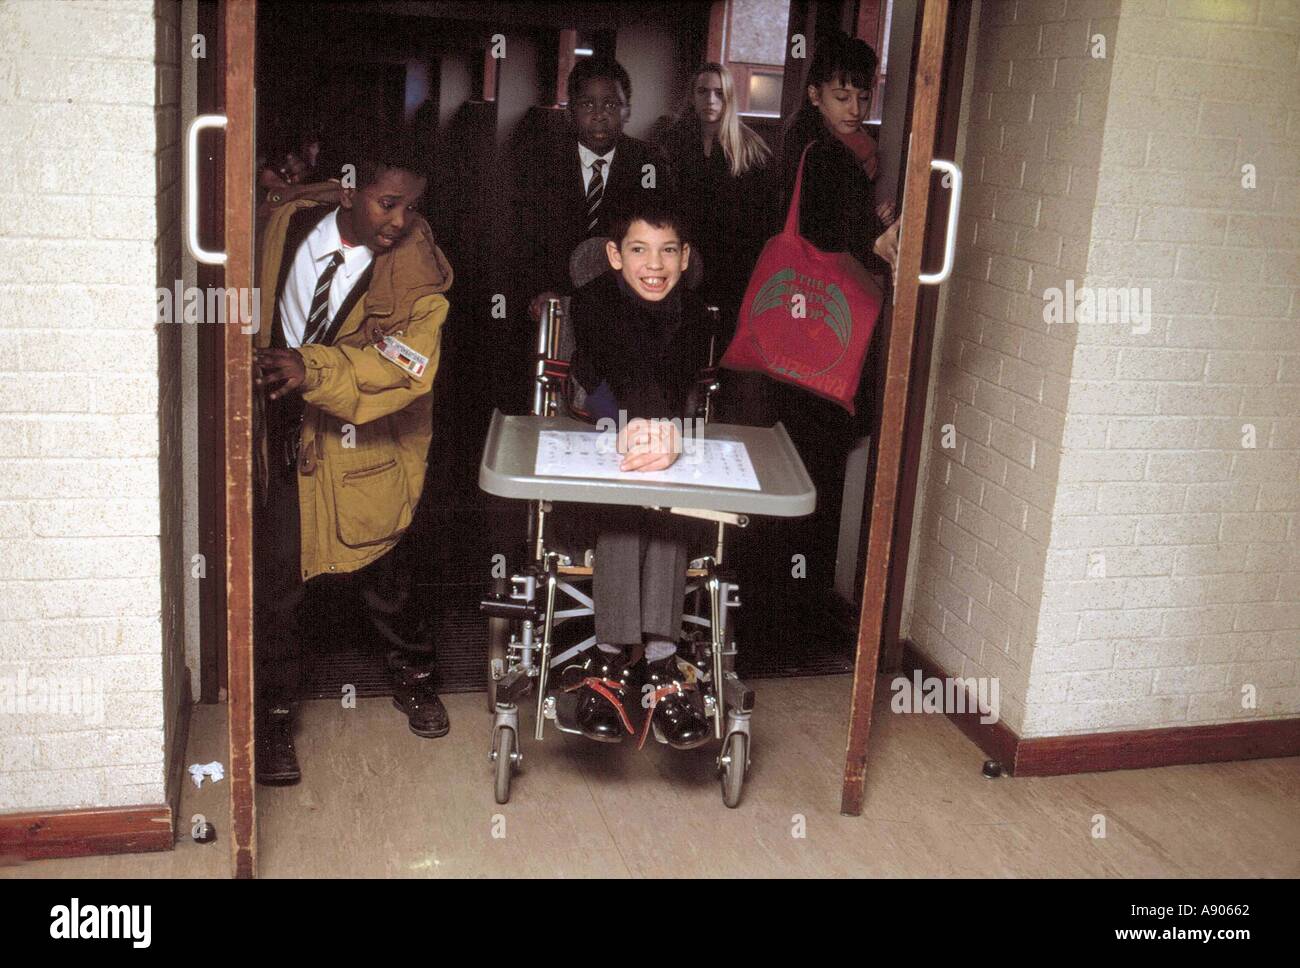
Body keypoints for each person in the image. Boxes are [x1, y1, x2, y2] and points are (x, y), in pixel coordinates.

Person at [252, 125, 454, 785]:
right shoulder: (289, 222)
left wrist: (311, 369)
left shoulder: (415, 268)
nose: (399, 220)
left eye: (411, 206)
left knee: (385, 575)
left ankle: (415, 678)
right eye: (386, 202)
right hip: (283, 431)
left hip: (362, 439)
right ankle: (275, 717)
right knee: (277, 583)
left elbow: (408, 365)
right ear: (349, 188)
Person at [558, 201, 716, 750]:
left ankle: (661, 668)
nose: (655, 264)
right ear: (614, 256)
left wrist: (666, 433)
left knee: (667, 513)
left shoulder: (695, 314)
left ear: (685, 256)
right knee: (627, 512)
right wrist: (633, 428)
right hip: (601, 434)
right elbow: (603, 371)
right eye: (639, 249)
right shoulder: (592, 302)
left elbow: (677, 381)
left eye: (668, 250)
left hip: (666, 443)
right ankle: (610, 662)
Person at [770, 30, 899, 597]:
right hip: (821, 338)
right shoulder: (826, 156)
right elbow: (835, 232)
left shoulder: (815, 148)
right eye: (842, 96)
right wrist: (882, 232)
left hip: (796, 332)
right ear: (816, 93)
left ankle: (785, 595)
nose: (855, 108)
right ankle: (800, 600)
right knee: (813, 465)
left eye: (863, 97)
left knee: (798, 461)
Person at [512, 55, 675, 323]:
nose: (599, 115)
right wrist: (539, 289)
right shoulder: (540, 161)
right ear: (570, 111)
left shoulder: (649, 163)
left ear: (627, 111)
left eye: (611, 104)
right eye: (587, 104)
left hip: (626, 302)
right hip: (555, 299)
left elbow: (661, 236)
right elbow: (524, 237)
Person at [657, 62, 773, 347]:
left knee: (722, 343)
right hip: (683, 261)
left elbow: (763, 218)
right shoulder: (673, 142)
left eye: (719, 93)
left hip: (732, 264)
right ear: (692, 96)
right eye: (703, 91)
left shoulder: (750, 148)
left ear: (730, 97)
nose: (710, 100)